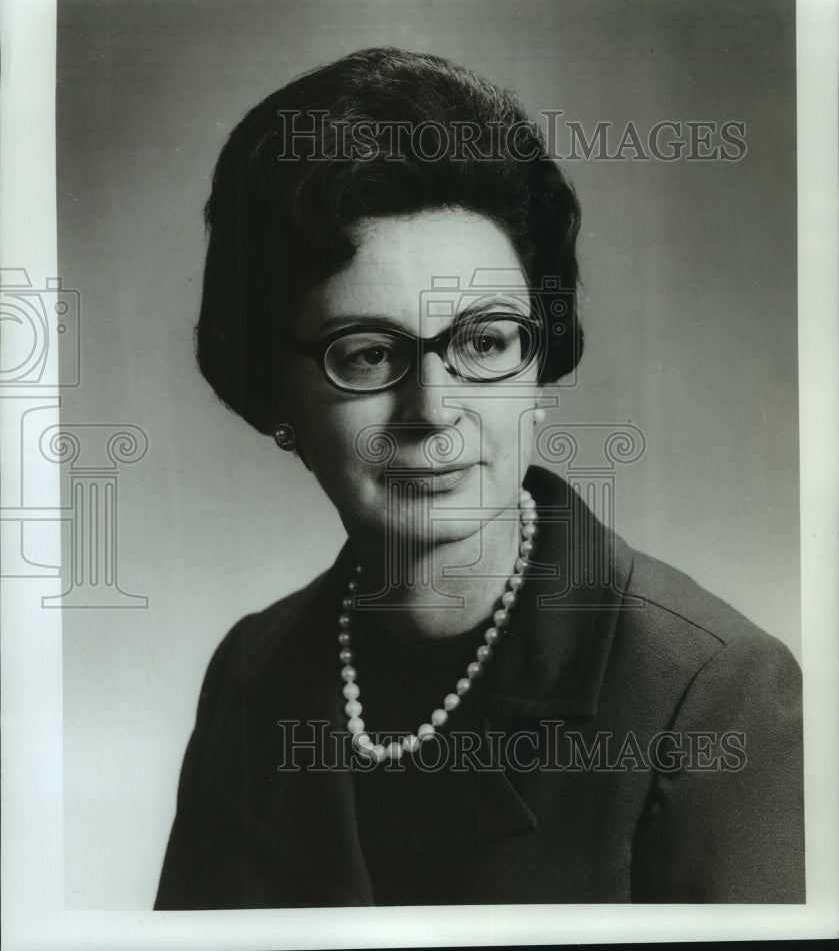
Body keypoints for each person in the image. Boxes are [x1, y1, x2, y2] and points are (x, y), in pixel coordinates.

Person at [155, 47, 804, 908]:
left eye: (485, 341)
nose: (434, 409)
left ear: (540, 363)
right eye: (368, 353)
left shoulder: (710, 697)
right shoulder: (251, 671)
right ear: (276, 393)